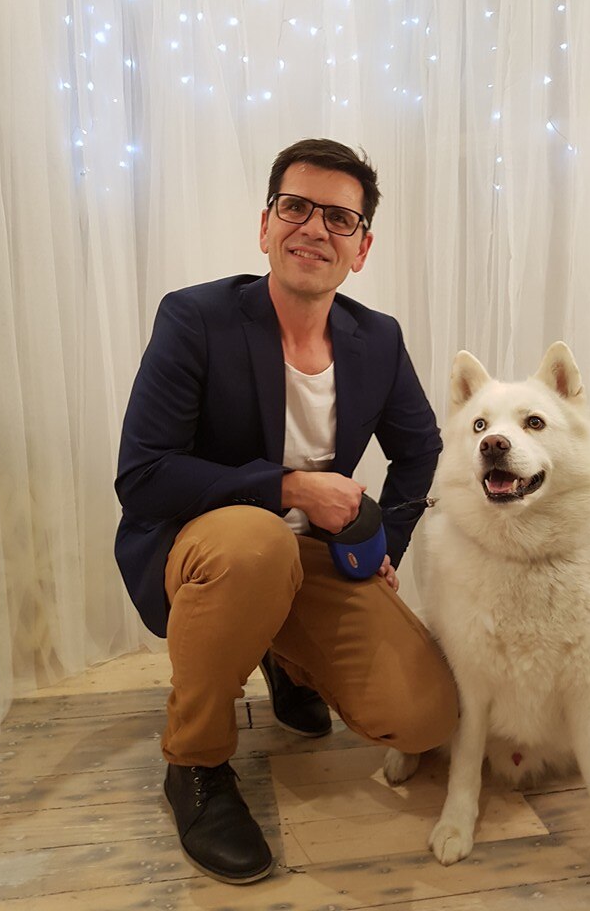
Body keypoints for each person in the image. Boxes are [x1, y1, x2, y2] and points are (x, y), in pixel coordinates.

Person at [114, 138, 458, 885]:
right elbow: (142, 478)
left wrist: (383, 544)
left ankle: (281, 650)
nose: (314, 228)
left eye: (339, 218)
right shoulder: (196, 318)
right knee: (256, 544)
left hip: (315, 557)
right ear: (265, 225)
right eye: (295, 206)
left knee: (428, 717)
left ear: (362, 248)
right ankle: (195, 763)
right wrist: (293, 488)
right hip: (211, 547)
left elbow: (422, 453)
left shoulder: (378, 338)